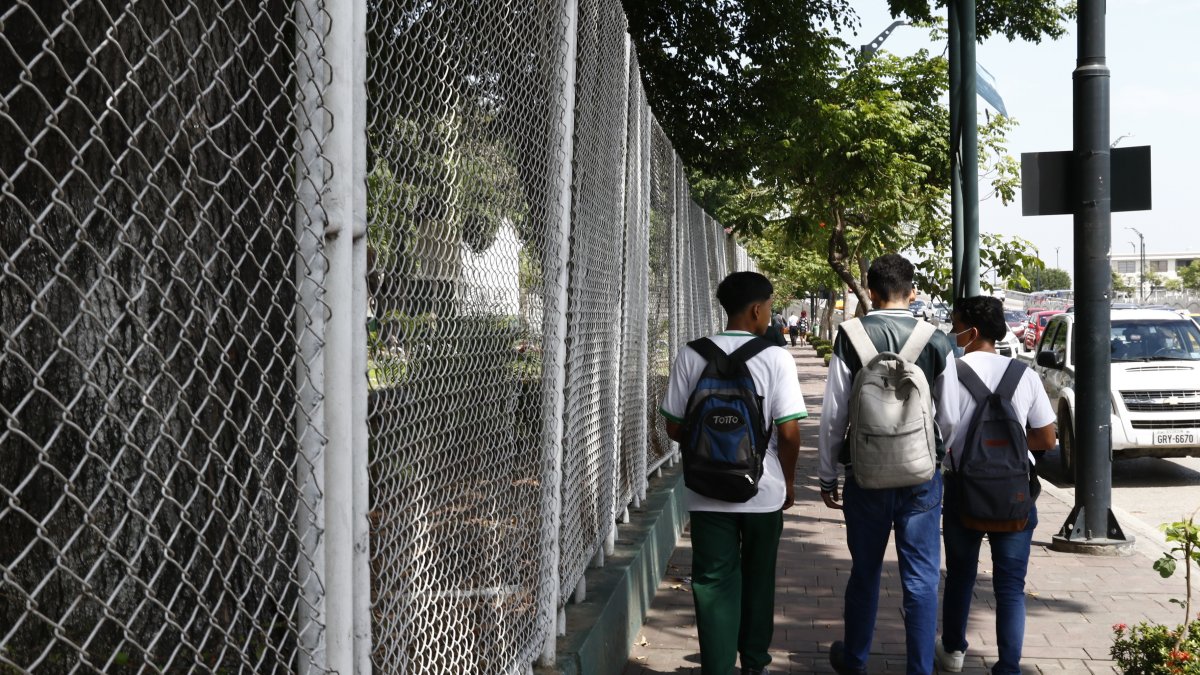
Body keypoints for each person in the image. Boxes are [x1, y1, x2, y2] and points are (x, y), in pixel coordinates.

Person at [817, 254, 960, 675]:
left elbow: (833, 416)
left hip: (866, 474)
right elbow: (950, 417)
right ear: (912, 292)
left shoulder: (851, 336)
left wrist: (827, 474)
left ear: (871, 292)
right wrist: (935, 458)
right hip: (921, 478)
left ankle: (857, 659)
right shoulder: (935, 339)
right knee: (920, 579)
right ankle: (919, 668)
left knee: (864, 572)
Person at [659, 271, 807, 675]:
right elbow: (790, 432)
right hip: (764, 489)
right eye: (771, 308)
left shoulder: (692, 354)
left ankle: (718, 667)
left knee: (712, 583)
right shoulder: (776, 357)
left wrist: (713, 451)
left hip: (707, 491)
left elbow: (673, 426)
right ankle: (754, 663)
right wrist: (789, 481)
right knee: (759, 579)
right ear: (757, 310)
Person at [937, 296, 1057, 674]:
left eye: (955, 326)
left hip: (962, 489)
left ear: (971, 332)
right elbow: (1047, 439)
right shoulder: (1025, 375)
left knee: (960, 574)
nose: (953, 333)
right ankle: (1008, 666)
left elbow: (939, 435)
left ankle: (954, 651)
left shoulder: (949, 374)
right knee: (1010, 585)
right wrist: (1011, 446)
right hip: (1014, 491)